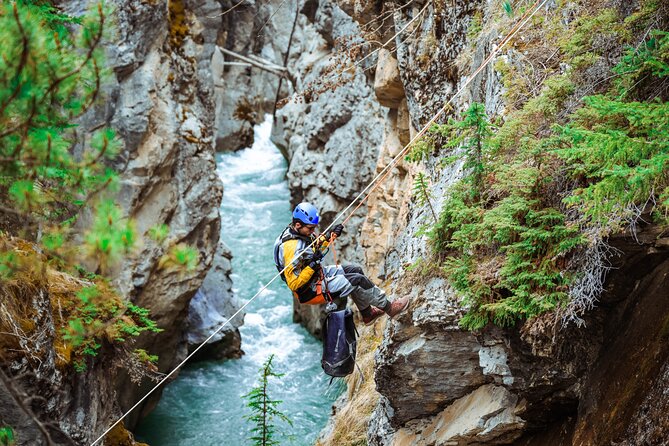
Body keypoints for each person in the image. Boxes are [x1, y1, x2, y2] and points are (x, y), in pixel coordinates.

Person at [273, 202, 409, 325]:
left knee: (355, 270)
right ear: (298, 225)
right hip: (309, 290)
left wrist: (329, 237)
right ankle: (390, 308)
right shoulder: (291, 248)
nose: (312, 231)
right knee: (357, 280)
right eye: (310, 228)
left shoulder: (299, 233)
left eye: (314, 228)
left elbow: (313, 247)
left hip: (315, 276)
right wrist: (313, 264)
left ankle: (367, 314)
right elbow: (293, 283)